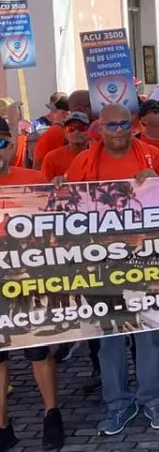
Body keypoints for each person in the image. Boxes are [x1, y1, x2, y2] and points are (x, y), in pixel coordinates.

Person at [66, 104, 159, 435]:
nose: (117, 130)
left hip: (144, 257)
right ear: (100, 127)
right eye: (110, 125)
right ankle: (117, 404)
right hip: (101, 262)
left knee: (147, 335)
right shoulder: (83, 162)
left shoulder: (153, 156)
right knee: (110, 337)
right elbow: (67, 209)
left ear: (133, 125)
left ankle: (153, 399)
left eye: (123, 124)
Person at [0, 118, 65, 451]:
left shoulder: (33, 180)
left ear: (11, 145)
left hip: (29, 283)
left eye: (0, 144)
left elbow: (53, 231)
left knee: (38, 354)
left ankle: (51, 414)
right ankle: (3, 424)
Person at [32, 89, 91, 169]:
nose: (50, 114)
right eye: (71, 128)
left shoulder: (54, 132)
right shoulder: (54, 132)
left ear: (64, 113)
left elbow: (37, 164)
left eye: (54, 111)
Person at [41, 111, 90, 180]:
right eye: (70, 128)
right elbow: (44, 188)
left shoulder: (96, 155)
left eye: (81, 128)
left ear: (88, 131)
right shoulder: (52, 158)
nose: (76, 132)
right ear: (65, 132)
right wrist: (55, 182)